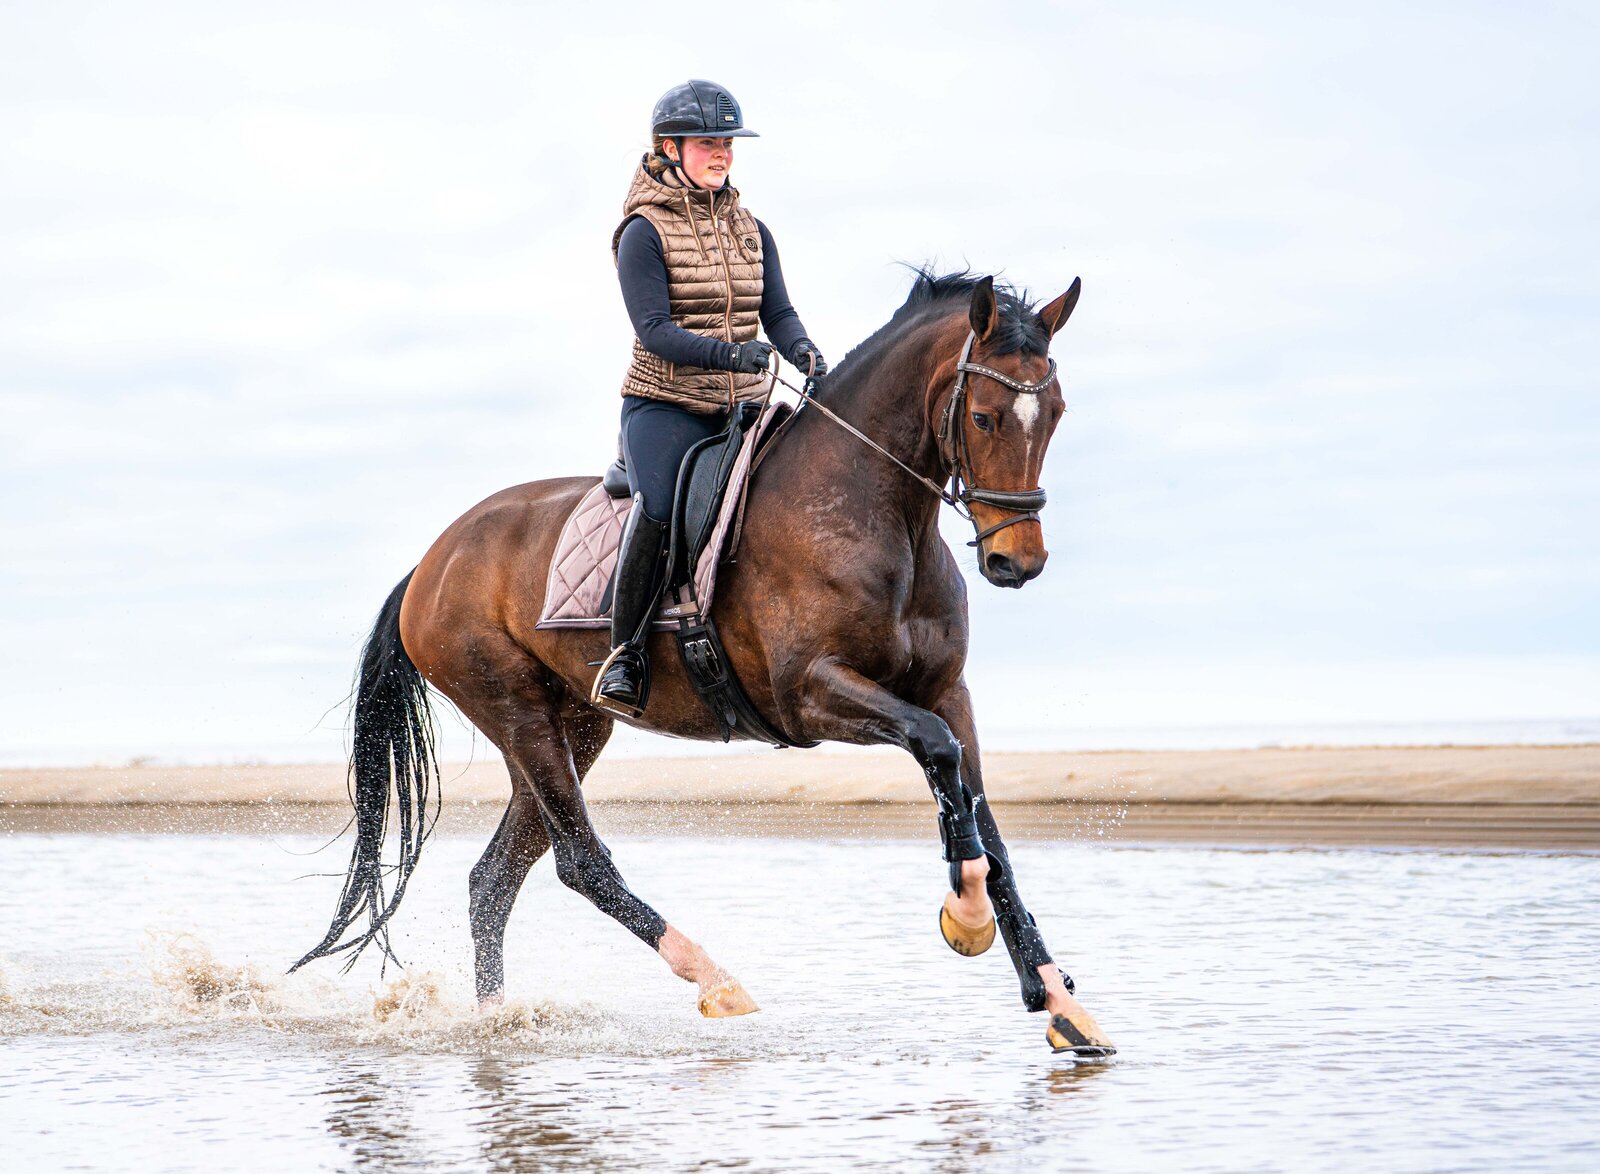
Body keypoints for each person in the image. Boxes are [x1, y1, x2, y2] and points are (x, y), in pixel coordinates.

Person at [594, 79, 827, 714]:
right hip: (665, 403)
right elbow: (655, 331)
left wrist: (804, 351)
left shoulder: (754, 229)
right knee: (664, 507)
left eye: (727, 142)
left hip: (743, 404)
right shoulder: (642, 233)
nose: (722, 153)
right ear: (669, 147)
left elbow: (777, 312)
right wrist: (729, 354)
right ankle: (627, 654)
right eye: (707, 143)